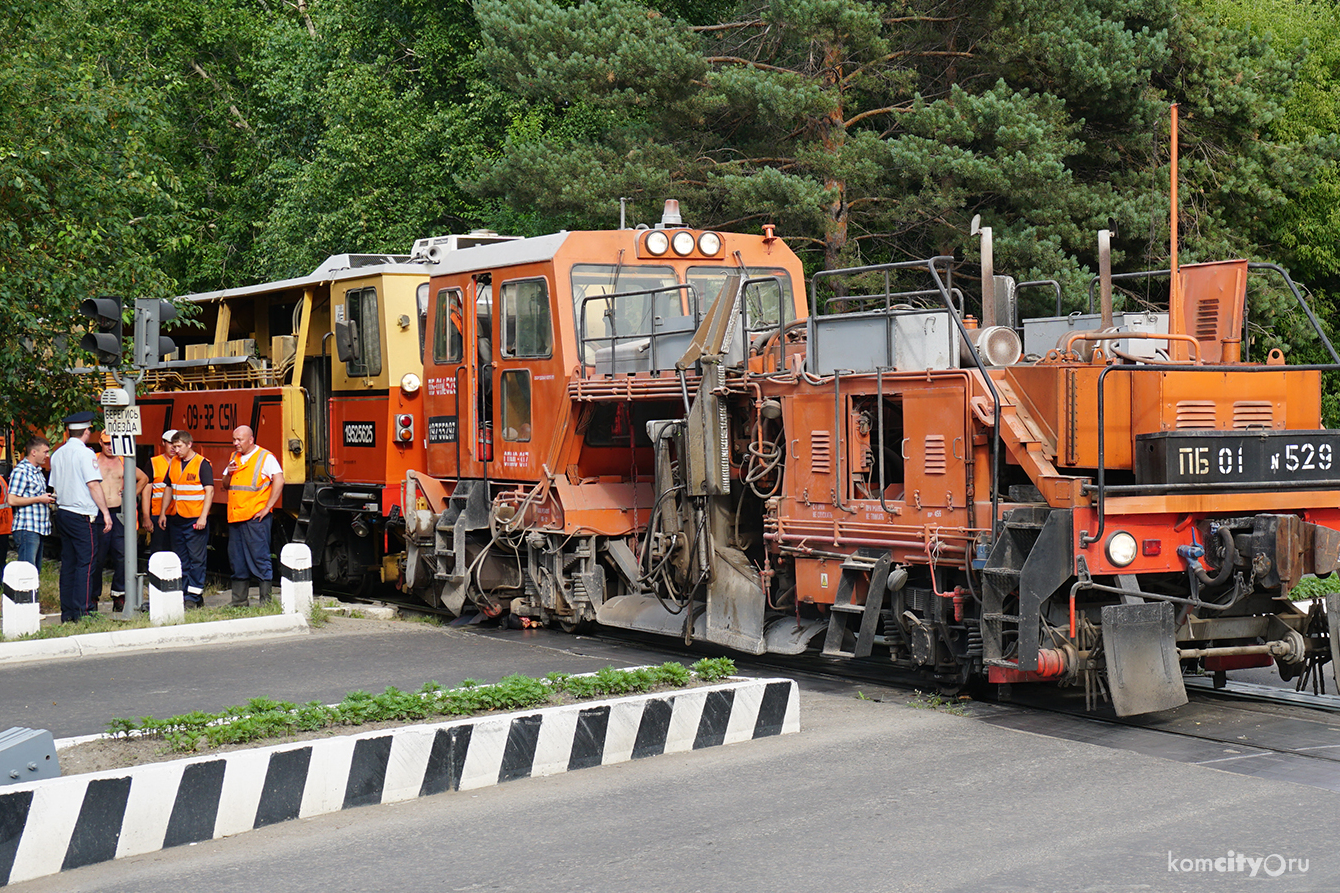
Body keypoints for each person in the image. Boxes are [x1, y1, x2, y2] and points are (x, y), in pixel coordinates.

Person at [49, 412, 112, 622]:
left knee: (68, 563)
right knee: (86, 563)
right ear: (86, 431)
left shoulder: (57, 454)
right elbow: (93, 485)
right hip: (82, 515)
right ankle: (84, 611)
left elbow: (54, 486)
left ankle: (67, 613)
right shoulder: (86, 454)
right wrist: (105, 513)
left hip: (64, 513)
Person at [223, 425, 283, 606]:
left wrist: (267, 508)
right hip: (236, 516)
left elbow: (279, 480)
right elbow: (226, 484)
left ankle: (266, 601)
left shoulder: (265, 457)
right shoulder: (234, 457)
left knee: (259, 558)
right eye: (234, 440)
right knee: (237, 559)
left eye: (239, 440)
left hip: (255, 518)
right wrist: (229, 472)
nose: (235, 444)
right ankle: (239, 601)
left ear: (251, 439)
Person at [92, 432, 148, 612]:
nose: (110, 447)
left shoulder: (124, 461)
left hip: (119, 513)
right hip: (98, 513)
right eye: (107, 443)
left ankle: (119, 595)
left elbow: (144, 478)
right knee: (97, 558)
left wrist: (130, 494)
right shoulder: (92, 460)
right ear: (100, 442)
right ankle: (93, 597)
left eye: (113, 444)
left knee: (122, 556)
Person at [158, 430, 213, 608]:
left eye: (179, 446)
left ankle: (194, 597)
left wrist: (203, 516)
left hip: (195, 519)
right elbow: (168, 488)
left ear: (189, 444)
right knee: (181, 559)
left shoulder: (201, 464)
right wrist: (163, 512)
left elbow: (209, 491)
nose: (176, 450)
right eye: (174, 447)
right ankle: (184, 593)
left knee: (196, 559)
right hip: (177, 518)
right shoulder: (174, 462)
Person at [7, 437, 54, 568]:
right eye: (45, 452)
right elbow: (12, 499)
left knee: (34, 570)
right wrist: (39, 499)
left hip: (38, 527)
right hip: (27, 527)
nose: (47, 455)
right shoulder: (21, 471)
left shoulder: (37, 471)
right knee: (27, 570)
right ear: (34, 452)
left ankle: (34, 589)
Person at [140, 429, 177, 558]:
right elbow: (146, 492)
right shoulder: (154, 463)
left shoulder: (184, 464)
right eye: (170, 443)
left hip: (178, 514)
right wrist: (146, 516)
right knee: (159, 553)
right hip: (158, 514)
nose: (173, 447)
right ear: (163, 443)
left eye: (176, 443)